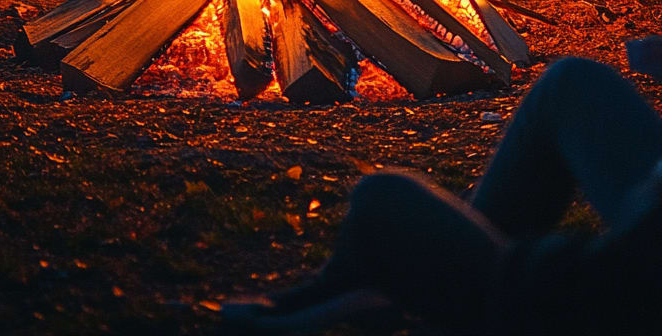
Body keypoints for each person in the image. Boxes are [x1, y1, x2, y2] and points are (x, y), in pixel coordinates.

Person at [220, 57, 662, 336]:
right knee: (573, 80)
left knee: (383, 197)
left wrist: (541, 265)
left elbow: (624, 271)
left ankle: (415, 288)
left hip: (596, 298)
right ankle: (432, 272)